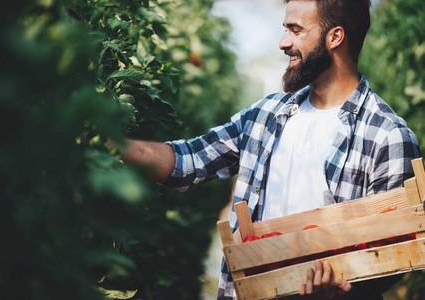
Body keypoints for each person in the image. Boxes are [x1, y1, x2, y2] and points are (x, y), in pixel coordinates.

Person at [111, 0, 421, 299]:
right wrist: (111, 144)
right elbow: (188, 161)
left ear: (335, 37)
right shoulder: (266, 115)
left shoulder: (386, 135)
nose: (283, 42)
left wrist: (342, 291)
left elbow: (392, 252)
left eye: (295, 29)